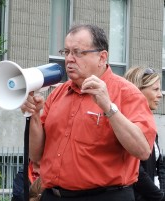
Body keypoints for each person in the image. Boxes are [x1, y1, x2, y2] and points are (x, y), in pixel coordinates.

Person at [21, 24, 157, 201]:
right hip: (53, 195)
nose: (69, 59)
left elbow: (143, 151)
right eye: (66, 51)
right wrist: (35, 116)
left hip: (105, 196)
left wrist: (109, 108)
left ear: (102, 57)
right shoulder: (57, 94)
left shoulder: (127, 93)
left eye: (78, 52)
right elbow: (36, 155)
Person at [124, 66, 165, 201]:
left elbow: (160, 165)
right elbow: (136, 171)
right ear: (137, 91)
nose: (160, 94)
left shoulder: (149, 123)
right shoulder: (126, 124)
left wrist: (162, 191)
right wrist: (159, 196)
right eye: (155, 89)